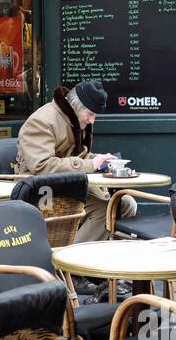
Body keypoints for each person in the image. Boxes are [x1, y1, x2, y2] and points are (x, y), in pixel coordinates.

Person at [17, 81, 136, 243]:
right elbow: (41, 166)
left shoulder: (74, 119)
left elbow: (78, 157)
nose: (92, 120)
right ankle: (69, 262)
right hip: (43, 192)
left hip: (70, 185)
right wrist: (90, 164)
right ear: (75, 105)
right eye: (90, 114)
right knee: (103, 210)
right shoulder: (41, 121)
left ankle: (104, 257)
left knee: (125, 203)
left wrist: (100, 161)